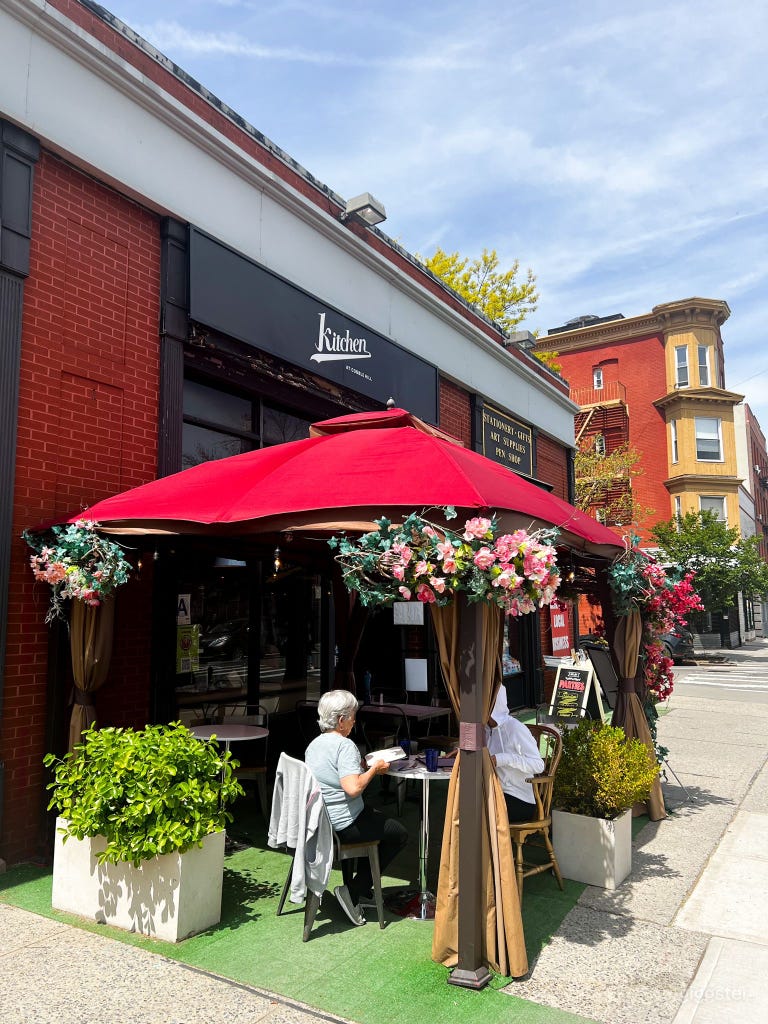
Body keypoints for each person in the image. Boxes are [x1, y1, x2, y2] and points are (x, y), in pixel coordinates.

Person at [305, 689, 409, 925]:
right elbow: (352, 789)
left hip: (322, 822)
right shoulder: (345, 745)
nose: (354, 720)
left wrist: (361, 766)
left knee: (378, 822)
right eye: (352, 716)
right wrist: (374, 769)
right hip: (344, 823)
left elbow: (335, 776)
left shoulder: (314, 745)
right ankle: (353, 891)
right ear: (341, 720)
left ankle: (359, 887)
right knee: (398, 834)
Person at [487, 685, 545, 823]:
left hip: (520, 799)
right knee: (467, 803)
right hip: (496, 792)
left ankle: (492, 845)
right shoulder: (485, 729)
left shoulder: (515, 728)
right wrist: (461, 751)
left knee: (480, 811)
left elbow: (538, 765)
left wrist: (503, 759)